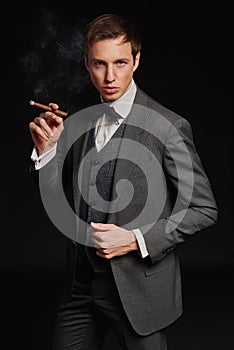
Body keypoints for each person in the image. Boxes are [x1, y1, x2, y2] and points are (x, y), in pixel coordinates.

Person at [28, 13, 218, 350]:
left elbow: (203, 209)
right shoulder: (78, 122)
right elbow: (60, 202)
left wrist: (137, 240)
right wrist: (47, 153)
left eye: (120, 62)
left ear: (137, 60)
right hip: (80, 289)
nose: (110, 76)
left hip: (138, 294)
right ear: (87, 63)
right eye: (100, 64)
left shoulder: (168, 126)